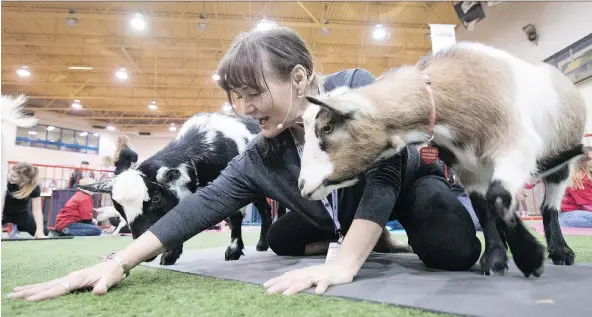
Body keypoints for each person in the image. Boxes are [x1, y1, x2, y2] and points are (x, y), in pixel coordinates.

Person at [8, 26, 481, 302]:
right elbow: (205, 204)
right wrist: (119, 260)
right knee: (278, 239)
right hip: (328, 212)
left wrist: (347, 265)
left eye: (254, 92)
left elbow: (386, 172)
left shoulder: (352, 88)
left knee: (454, 250)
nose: (246, 108)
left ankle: (367, 237)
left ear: (299, 78)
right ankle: (357, 235)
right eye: (237, 97)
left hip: (406, 191)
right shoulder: (263, 152)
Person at [2, 162, 47, 239]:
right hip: (3, 212)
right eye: (10, 174)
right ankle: (13, 226)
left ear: (24, 179)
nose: (9, 177)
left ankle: (17, 227)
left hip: (21, 213)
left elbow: (37, 210)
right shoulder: (4, 182)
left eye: (14, 176)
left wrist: (40, 230)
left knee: (44, 233)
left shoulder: (34, 187)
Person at [559, 156, 592, 228]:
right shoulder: (580, 179)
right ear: (582, 162)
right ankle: (558, 223)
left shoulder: (587, 176)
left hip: (580, 213)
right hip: (567, 213)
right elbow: (587, 205)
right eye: (590, 159)